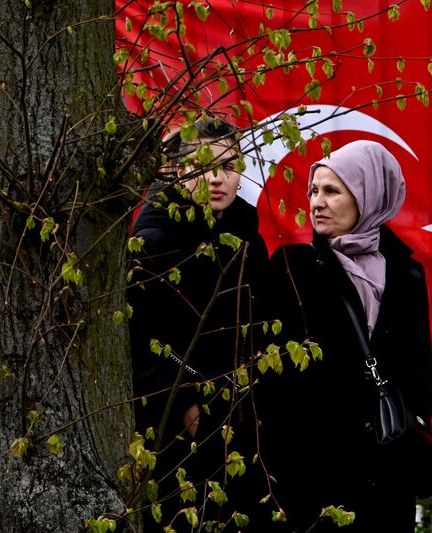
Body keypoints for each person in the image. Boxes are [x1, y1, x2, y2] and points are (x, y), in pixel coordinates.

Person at [262, 140, 432, 532]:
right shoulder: (293, 268)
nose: (317, 203)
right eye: (313, 191)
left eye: (332, 191)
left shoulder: (407, 274)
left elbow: (418, 369)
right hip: (312, 469)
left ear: (368, 196)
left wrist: (413, 428)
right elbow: (269, 374)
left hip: (386, 467)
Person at [127, 117, 269, 528]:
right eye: (203, 166)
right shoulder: (153, 242)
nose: (217, 178)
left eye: (228, 165)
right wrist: (186, 398)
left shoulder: (246, 237)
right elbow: (142, 340)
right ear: (176, 169)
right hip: (174, 426)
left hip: (240, 419)